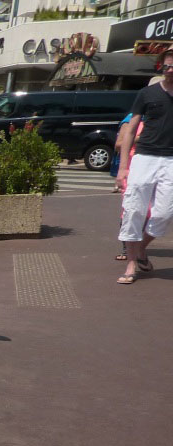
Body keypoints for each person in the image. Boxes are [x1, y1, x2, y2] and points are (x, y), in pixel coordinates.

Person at [115, 50, 173, 284]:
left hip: (171, 160)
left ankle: (140, 249)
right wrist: (123, 168)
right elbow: (130, 129)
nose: (169, 71)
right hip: (145, 157)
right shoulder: (147, 93)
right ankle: (131, 264)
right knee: (134, 210)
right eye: (166, 67)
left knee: (164, 213)